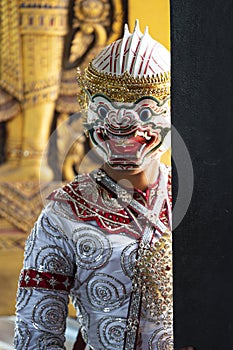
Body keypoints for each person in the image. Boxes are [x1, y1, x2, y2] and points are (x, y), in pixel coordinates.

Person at [14, 21, 173, 349]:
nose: (121, 124)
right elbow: (37, 333)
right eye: (105, 109)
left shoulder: (201, 197)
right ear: (87, 114)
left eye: (143, 111)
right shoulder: (65, 212)